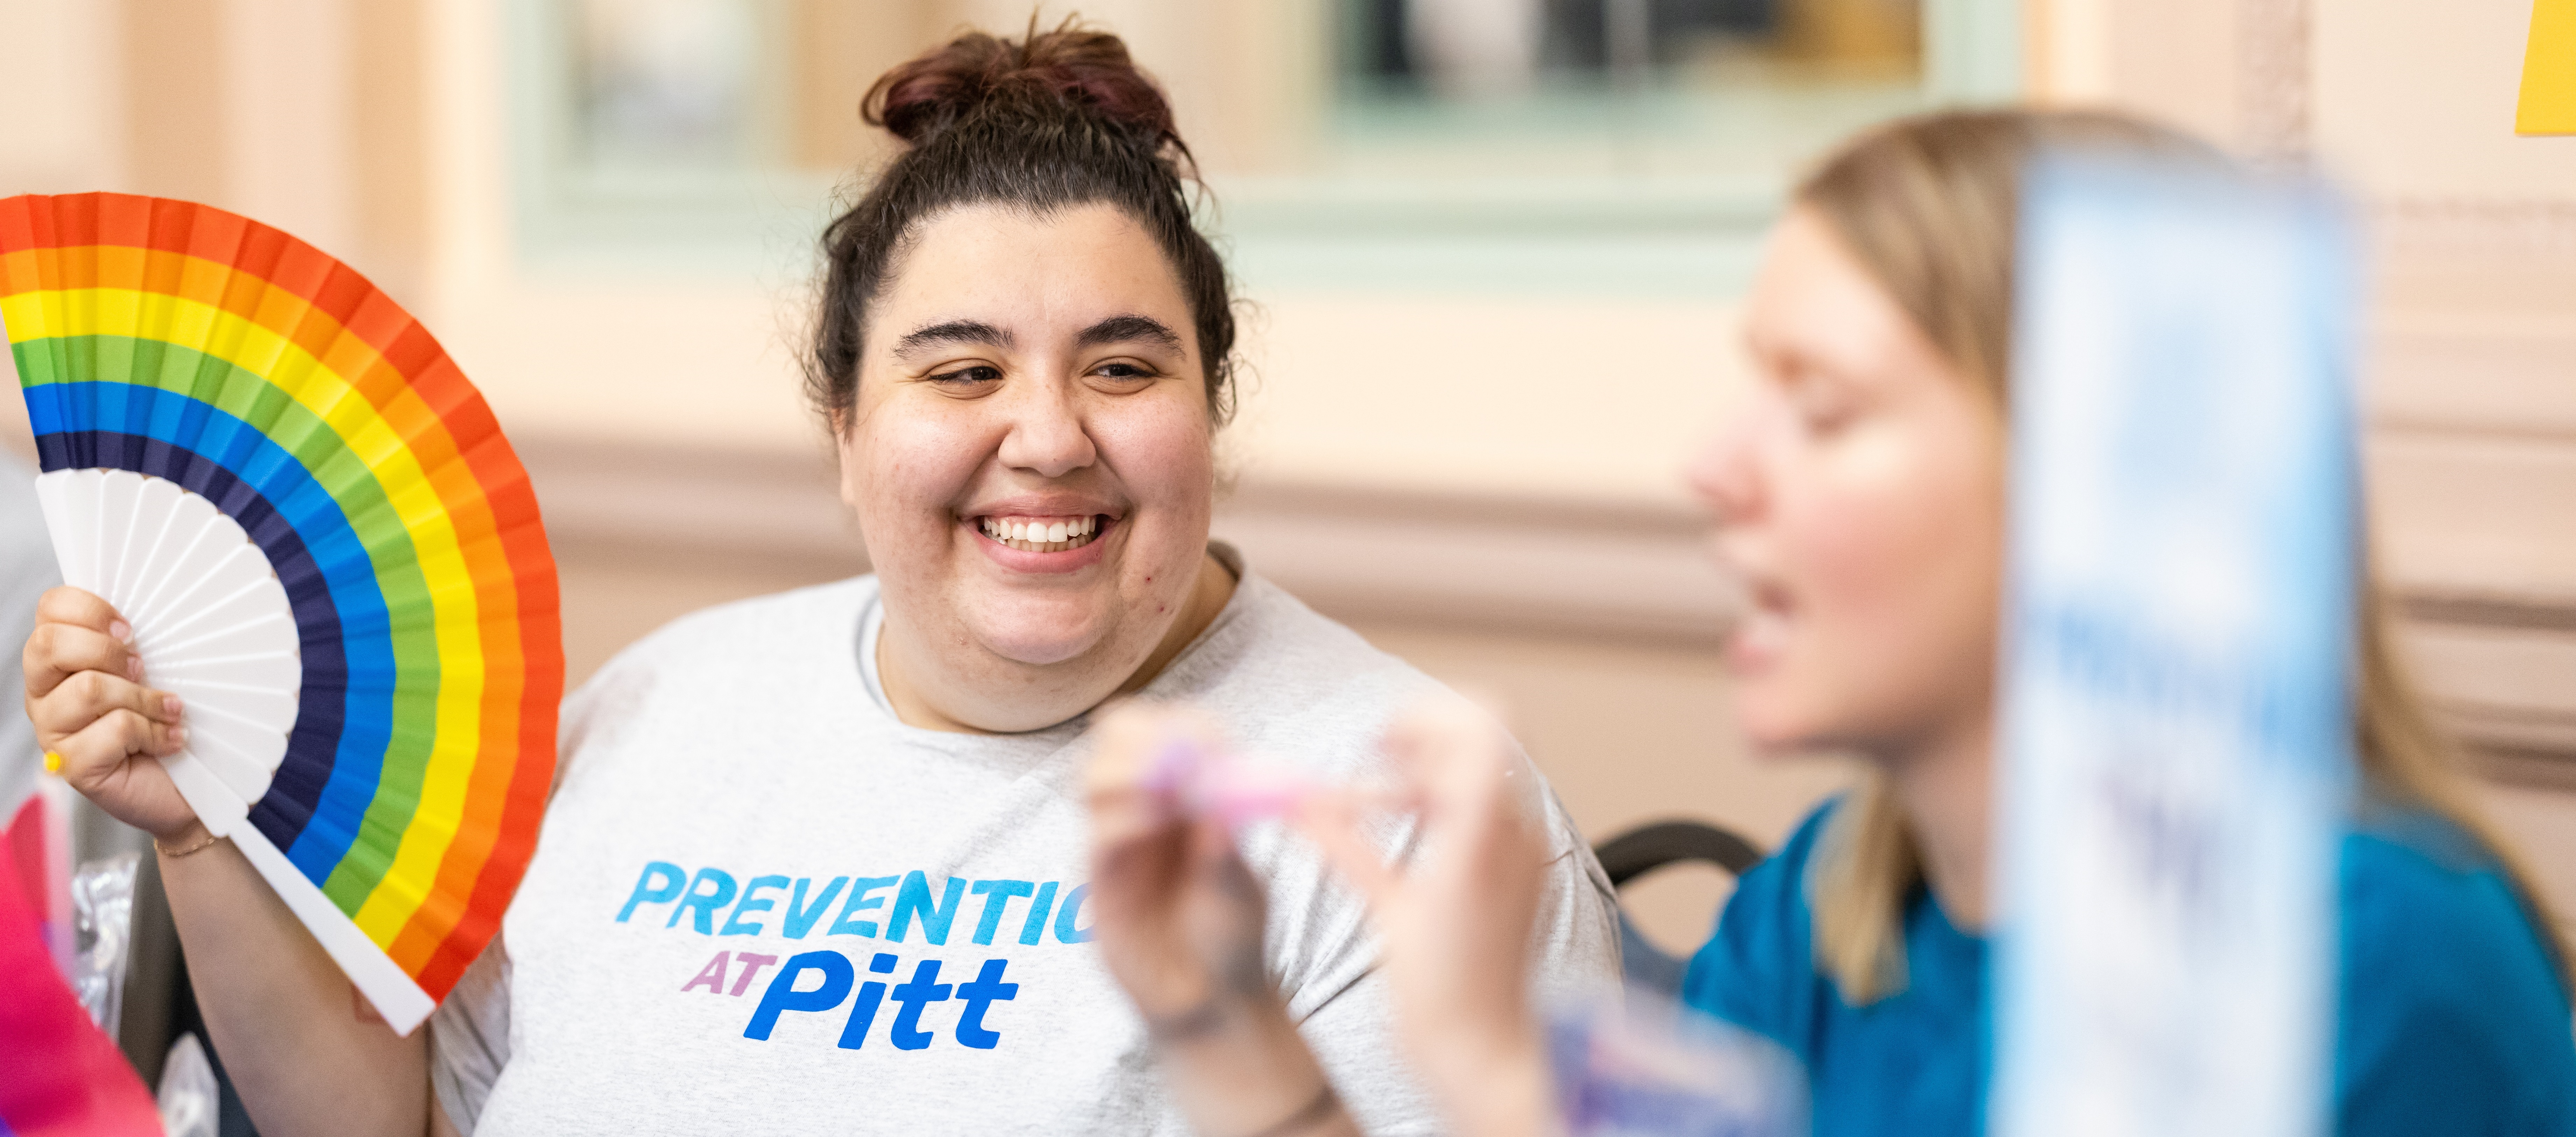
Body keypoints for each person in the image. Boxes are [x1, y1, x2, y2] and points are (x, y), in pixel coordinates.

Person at [18, 23, 1619, 1137]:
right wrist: (200, 828)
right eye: (961, 368)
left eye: (1126, 367)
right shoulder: (653, 712)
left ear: (1214, 411)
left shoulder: (1397, 809)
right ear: (845, 432)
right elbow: (395, 1130)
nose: (1048, 439)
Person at [1083, 108, 2576, 1137]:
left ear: (2095, 477)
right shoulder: (1824, 915)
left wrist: (1504, 1071)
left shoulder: (2374, 970)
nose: (1714, 467)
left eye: (1822, 406)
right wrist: (1227, 1022)